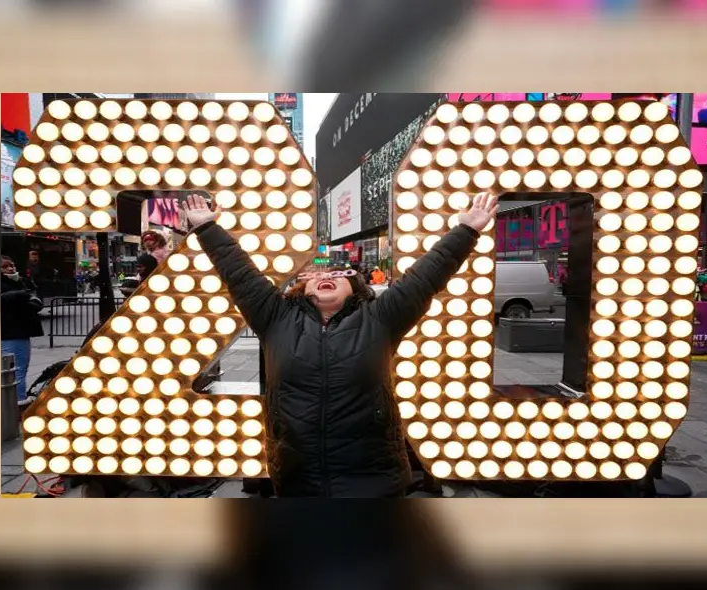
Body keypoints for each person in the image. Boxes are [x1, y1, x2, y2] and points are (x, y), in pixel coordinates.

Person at [180, 191, 498, 498]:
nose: (325, 277)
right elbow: (239, 274)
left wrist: (467, 229)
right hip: (297, 480)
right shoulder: (274, 316)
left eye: (338, 274)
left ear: (354, 288)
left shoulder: (380, 318)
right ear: (301, 289)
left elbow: (426, 277)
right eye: (314, 275)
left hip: (374, 480)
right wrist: (207, 227)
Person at [1, 256, 44, 406]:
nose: (10, 269)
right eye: (5, 267)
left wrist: (33, 303)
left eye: (12, 265)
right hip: (10, 332)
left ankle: (15, 399)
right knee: (15, 369)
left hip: (20, 330)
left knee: (17, 368)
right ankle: (17, 400)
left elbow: (34, 298)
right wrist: (19, 295)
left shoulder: (20, 281)